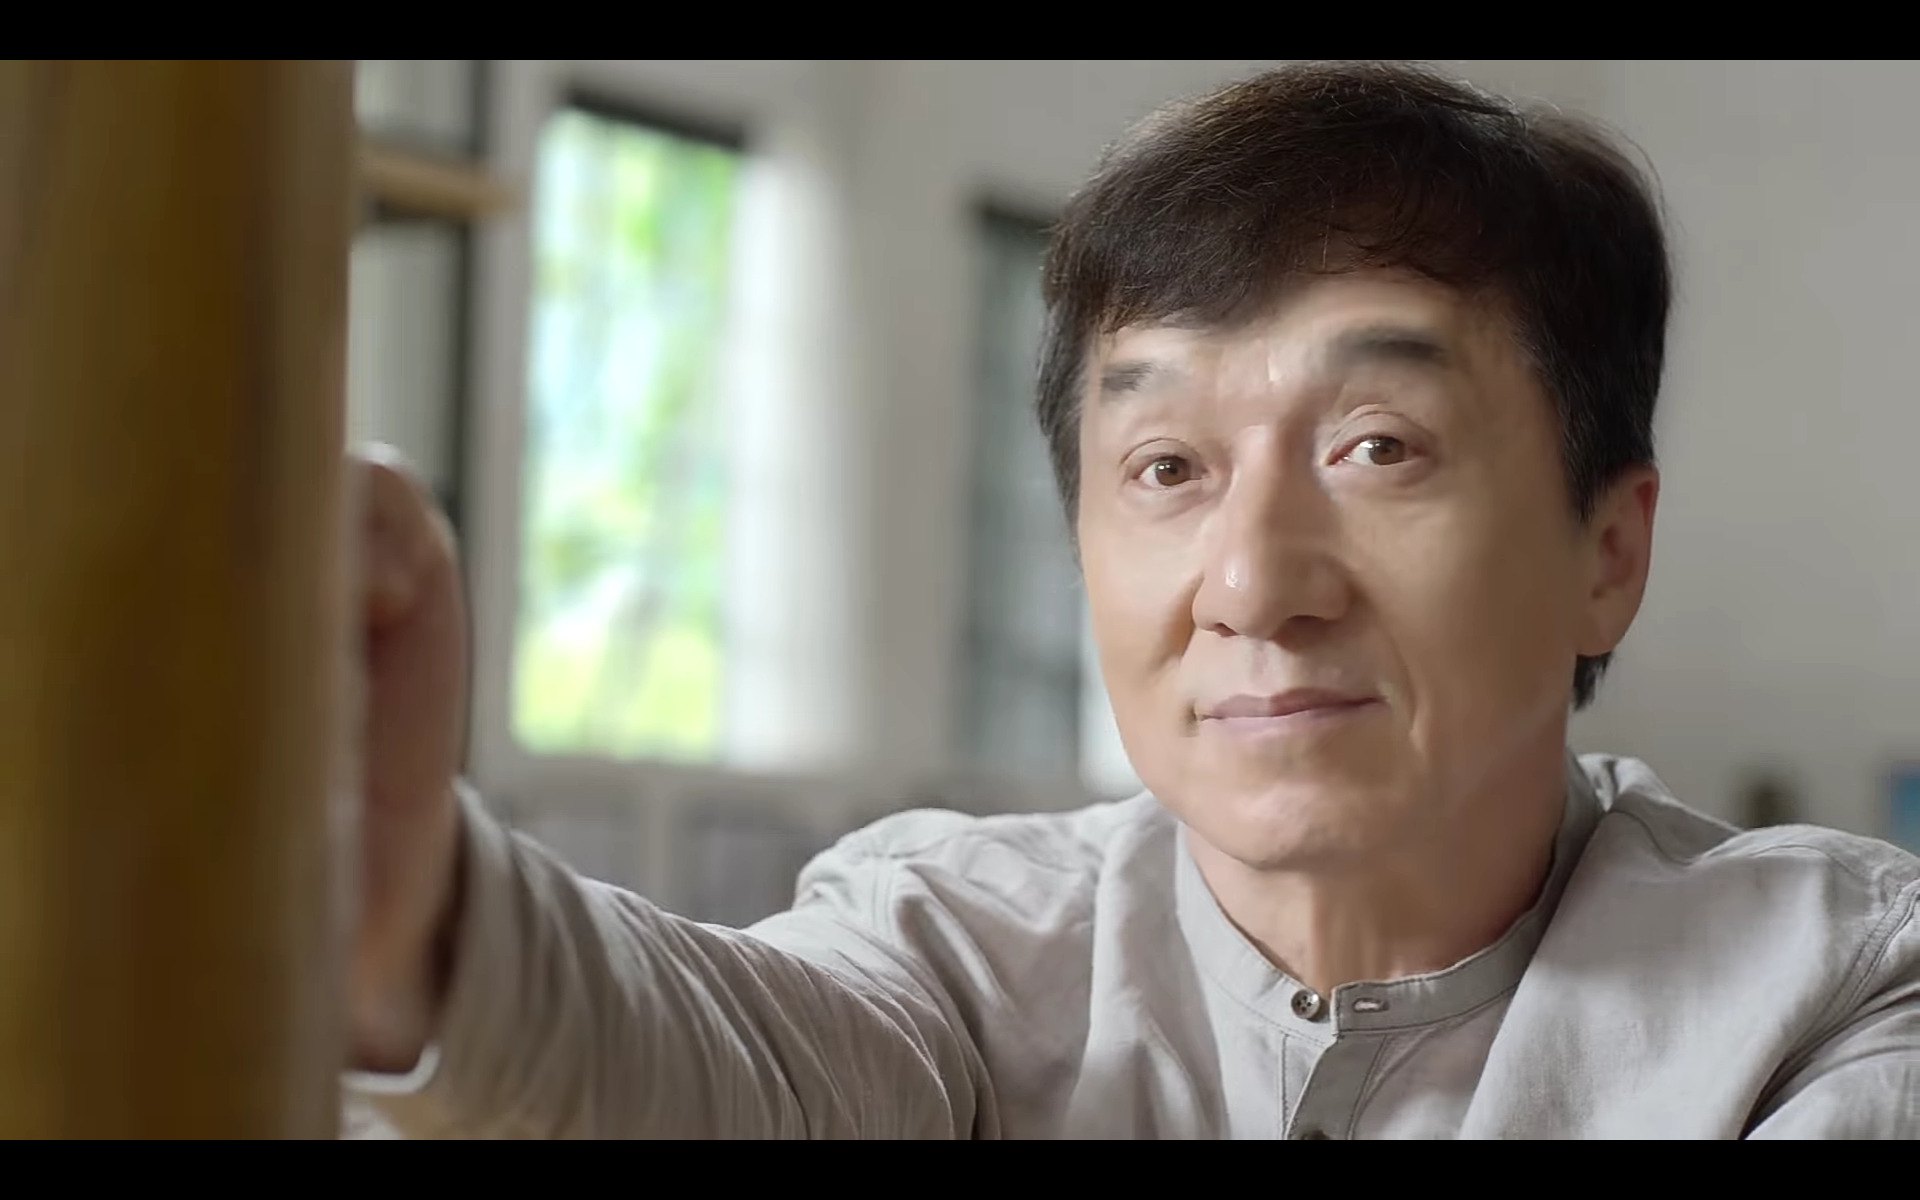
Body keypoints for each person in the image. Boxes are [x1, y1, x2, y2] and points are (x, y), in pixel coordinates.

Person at [344, 61, 1920, 1138]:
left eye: (1377, 446)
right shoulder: (960, 947)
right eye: (1168, 467)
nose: (1253, 584)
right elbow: (711, 1064)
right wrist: (414, 904)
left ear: (1608, 553)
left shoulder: (1831, 991)